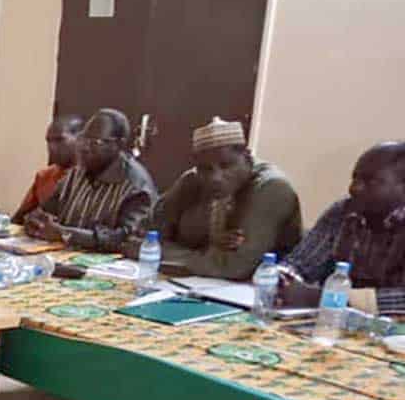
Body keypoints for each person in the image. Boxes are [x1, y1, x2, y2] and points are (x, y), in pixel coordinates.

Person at [145, 117, 303, 279]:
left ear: (247, 158)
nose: (216, 177)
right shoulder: (193, 179)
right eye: (206, 169)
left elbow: (233, 267)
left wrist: (164, 252)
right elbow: (146, 235)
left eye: (226, 165)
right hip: (196, 283)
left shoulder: (272, 187)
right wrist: (210, 244)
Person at [279, 141, 405, 315]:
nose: (354, 188)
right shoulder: (343, 211)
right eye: (355, 178)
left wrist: (325, 298)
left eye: (371, 182)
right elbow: (301, 263)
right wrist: (282, 277)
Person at [23, 108, 157, 252]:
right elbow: (46, 211)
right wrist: (36, 222)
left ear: (119, 145)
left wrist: (65, 234)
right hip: (64, 258)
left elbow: (127, 240)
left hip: (109, 269)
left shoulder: (136, 187)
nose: (85, 147)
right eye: (83, 139)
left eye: (95, 142)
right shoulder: (76, 173)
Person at [12, 114, 85, 224]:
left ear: (81, 140)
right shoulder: (44, 176)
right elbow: (18, 218)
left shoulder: (92, 178)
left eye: (59, 140)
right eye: (49, 141)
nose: (51, 147)